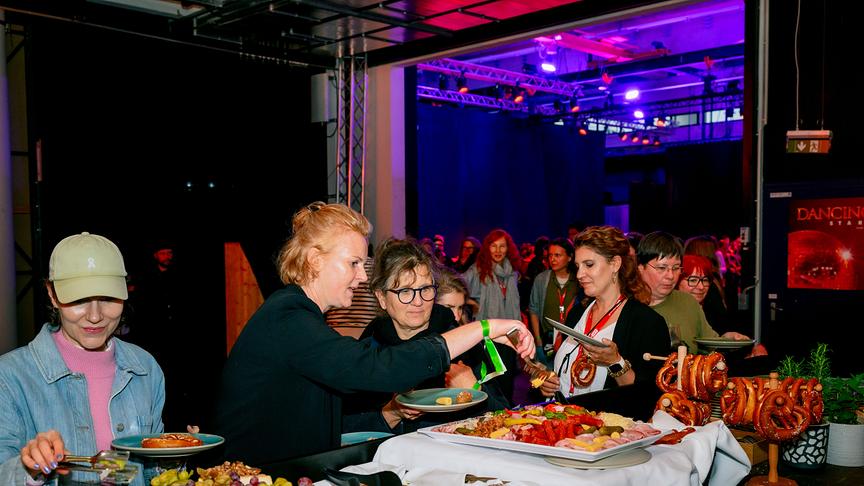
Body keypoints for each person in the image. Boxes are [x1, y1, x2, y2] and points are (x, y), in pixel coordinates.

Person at [214, 203, 534, 465]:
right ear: (314, 260)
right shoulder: (289, 319)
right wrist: (483, 328)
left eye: (425, 290)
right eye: (353, 263)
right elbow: (378, 367)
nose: (361, 277)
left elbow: (329, 427)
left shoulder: (297, 316)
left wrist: (391, 413)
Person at [0, 232, 165, 486]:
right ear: (52, 295)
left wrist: (178, 461)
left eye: (108, 298)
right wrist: (30, 470)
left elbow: (149, 472)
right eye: (79, 299)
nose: (95, 316)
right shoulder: (10, 377)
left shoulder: (145, 369)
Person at [342, 239, 510, 434]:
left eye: (425, 289)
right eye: (405, 291)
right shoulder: (370, 348)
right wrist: (391, 413)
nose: (418, 302)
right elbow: (343, 431)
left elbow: (506, 419)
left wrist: (476, 391)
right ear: (382, 298)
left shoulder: (464, 342)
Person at [539, 227, 669, 398]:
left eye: (589, 265)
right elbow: (564, 366)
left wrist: (615, 362)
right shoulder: (577, 313)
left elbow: (646, 396)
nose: (579, 274)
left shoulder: (647, 322)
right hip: (562, 412)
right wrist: (548, 382)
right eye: (577, 266)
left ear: (615, 264)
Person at [636, 231, 749, 351]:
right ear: (641, 268)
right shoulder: (629, 304)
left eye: (676, 268)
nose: (670, 276)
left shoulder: (688, 302)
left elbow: (710, 342)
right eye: (662, 268)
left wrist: (728, 339)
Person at [527, 238, 585, 359]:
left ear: (570, 257)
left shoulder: (580, 280)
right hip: (547, 339)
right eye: (550, 255)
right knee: (547, 369)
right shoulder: (542, 279)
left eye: (557, 255)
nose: (552, 259)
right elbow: (534, 310)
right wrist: (538, 340)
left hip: (572, 340)